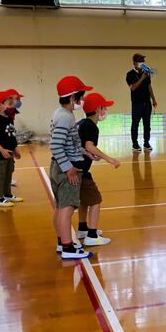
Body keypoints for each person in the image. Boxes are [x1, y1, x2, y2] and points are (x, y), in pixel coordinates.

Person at [50, 75, 93, 260]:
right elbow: (56, 145)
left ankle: (62, 242)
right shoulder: (66, 117)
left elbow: (69, 143)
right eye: (81, 96)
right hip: (66, 169)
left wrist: (84, 152)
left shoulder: (60, 113)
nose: (82, 100)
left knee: (60, 207)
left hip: (58, 166)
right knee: (67, 209)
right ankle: (68, 247)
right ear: (73, 97)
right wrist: (69, 168)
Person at [76, 93, 120, 246]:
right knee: (95, 200)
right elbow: (89, 145)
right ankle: (92, 235)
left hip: (79, 169)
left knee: (84, 200)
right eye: (104, 107)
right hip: (80, 170)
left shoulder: (82, 123)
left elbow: (83, 146)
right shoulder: (91, 126)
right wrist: (110, 159)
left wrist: (90, 154)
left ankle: (82, 228)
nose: (106, 110)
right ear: (97, 109)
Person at [0, 91, 23, 208]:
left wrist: (16, 150)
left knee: (9, 174)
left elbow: (12, 136)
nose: (12, 106)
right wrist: (2, 150)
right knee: (0, 175)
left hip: (10, 153)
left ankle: (7, 194)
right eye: (9, 103)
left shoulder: (9, 118)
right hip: (0, 154)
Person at [125, 53, 158, 153]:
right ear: (134, 63)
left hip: (147, 103)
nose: (142, 63)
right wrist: (142, 78)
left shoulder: (146, 73)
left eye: (143, 61)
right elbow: (133, 88)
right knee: (135, 124)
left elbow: (149, 86)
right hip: (137, 104)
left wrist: (153, 99)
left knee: (147, 124)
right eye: (140, 61)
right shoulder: (130, 74)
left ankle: (146, 142)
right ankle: (135, 143)